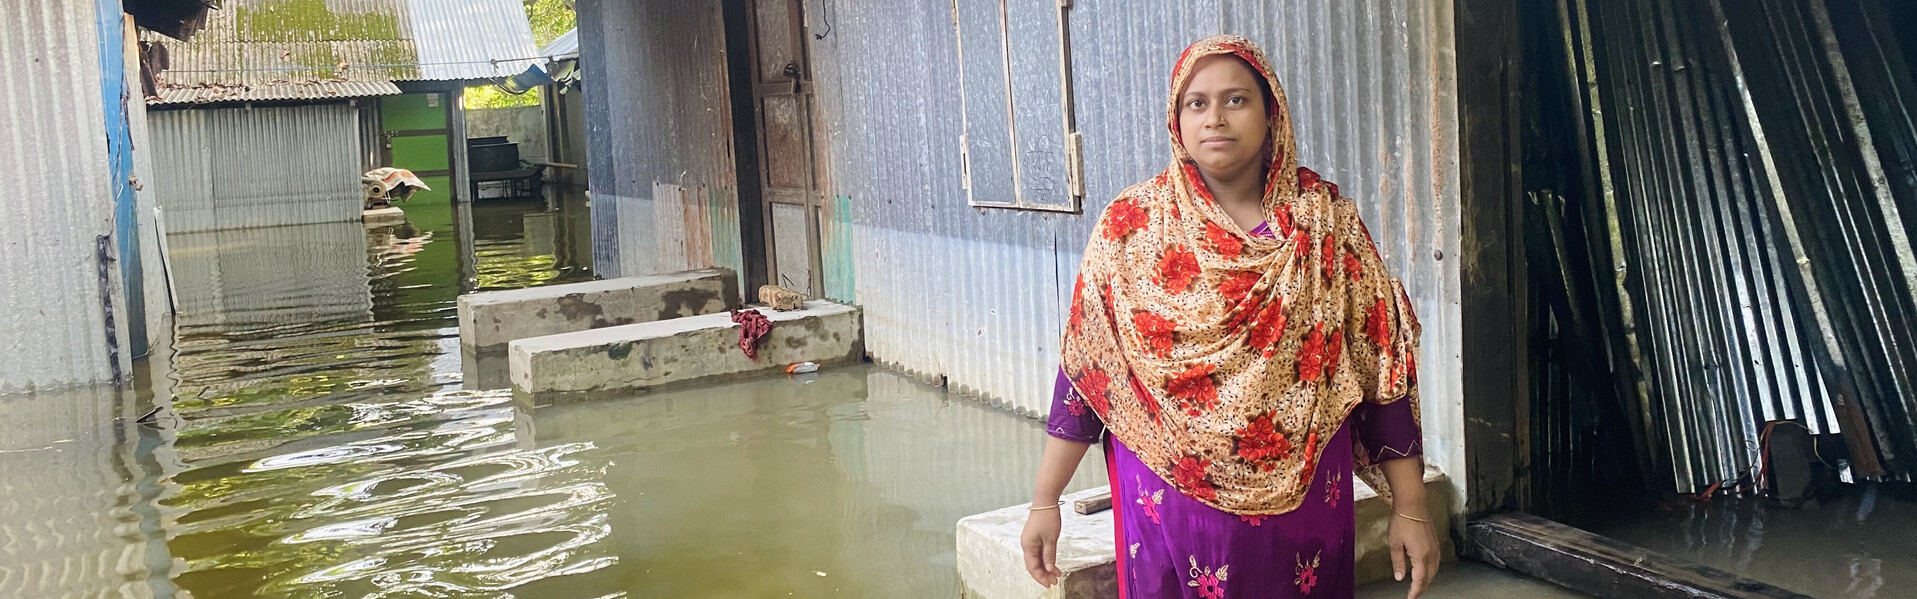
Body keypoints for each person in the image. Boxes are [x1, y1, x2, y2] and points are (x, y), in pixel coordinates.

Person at [1022, 35, 1438, 599]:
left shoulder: (1326, 227)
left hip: (1304, 515)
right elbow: (1088, 372)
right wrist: (1046, 500)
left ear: (1271, 115)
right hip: (1169, 510)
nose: (1214, 118)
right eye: (1196, 103)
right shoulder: (1130, 228)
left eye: (1235, 100)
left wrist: (1412, 508)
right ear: (1177, 120)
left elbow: (1379, 364)